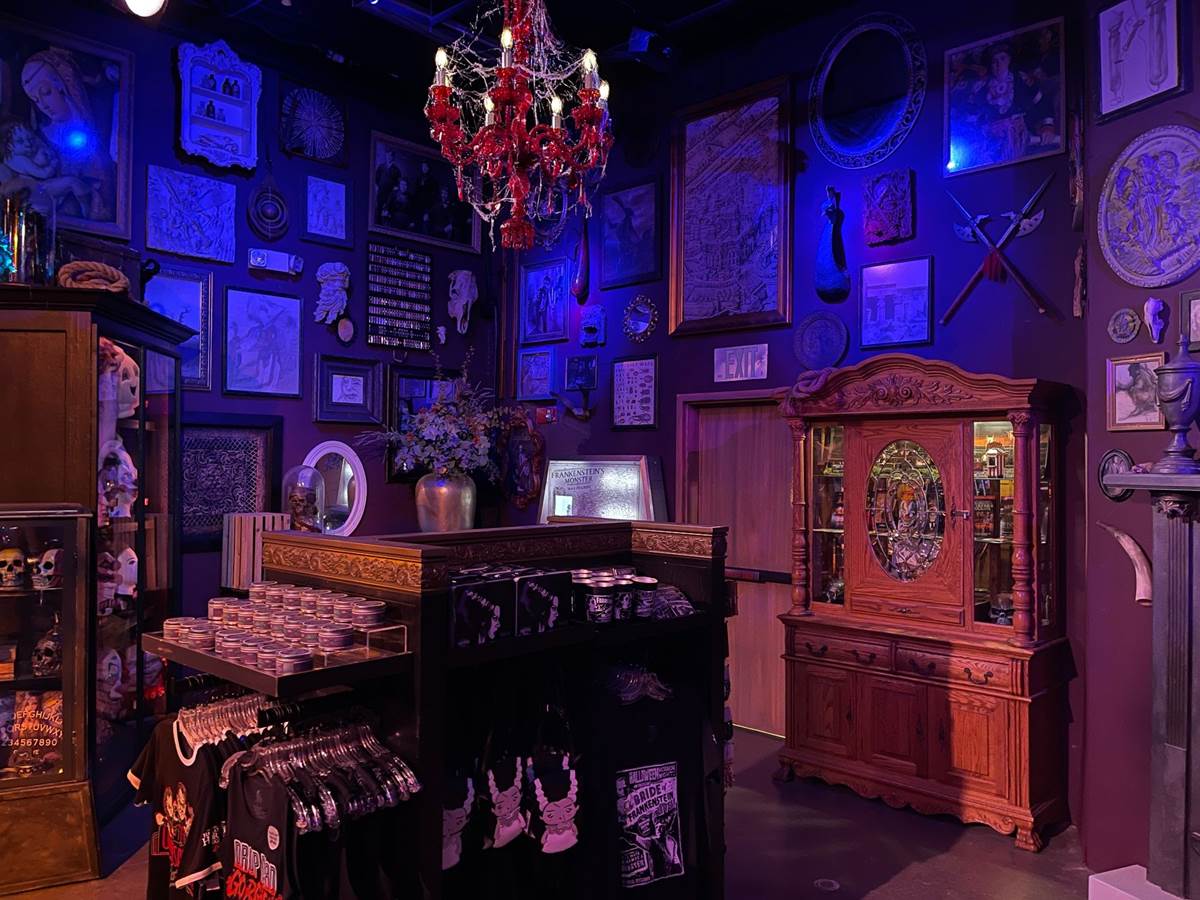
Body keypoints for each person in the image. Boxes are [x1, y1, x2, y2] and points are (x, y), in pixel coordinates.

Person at [20, 47, 116, 221]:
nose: (43, 104)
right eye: (36, 100)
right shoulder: (40, 137)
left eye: (46, 93)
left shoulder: (100, 119)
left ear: (60, 84)